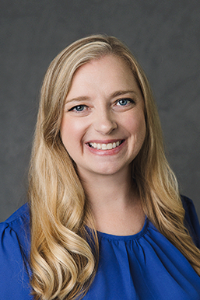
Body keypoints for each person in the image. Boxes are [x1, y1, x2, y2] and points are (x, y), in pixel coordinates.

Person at [0, 34, 200, 300]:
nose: (105, 124)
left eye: (122, 101)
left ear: (144, 111)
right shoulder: (14, 245)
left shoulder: (179, 216)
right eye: (80, 107)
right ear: (54, 125)